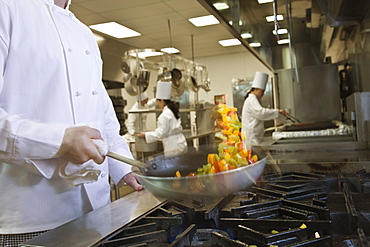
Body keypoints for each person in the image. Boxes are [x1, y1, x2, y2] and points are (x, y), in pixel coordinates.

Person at [0, 0, 142, 245]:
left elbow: (103, 112)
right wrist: (58, 141)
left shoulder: (84, 33)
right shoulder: (8, 8)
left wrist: (124, 169)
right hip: (32, 216)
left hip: (97, 209)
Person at [138, 81, 187, 157]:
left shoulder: (164, 115)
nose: (158, 104)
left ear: (162, 101)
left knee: (174, 167)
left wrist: (145, 135)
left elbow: (160, 133)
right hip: (181, 143)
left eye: (158, 102)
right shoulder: (173, 111)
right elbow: (167, 129)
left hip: (173, 146)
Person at [242, 71, 287, 145]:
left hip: (254, 136)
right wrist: (277, 111)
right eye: (262, 91)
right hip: (252, 137)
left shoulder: (253, 99)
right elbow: (261, 113)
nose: (263, 94)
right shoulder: (251, 100)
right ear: (256, 89)